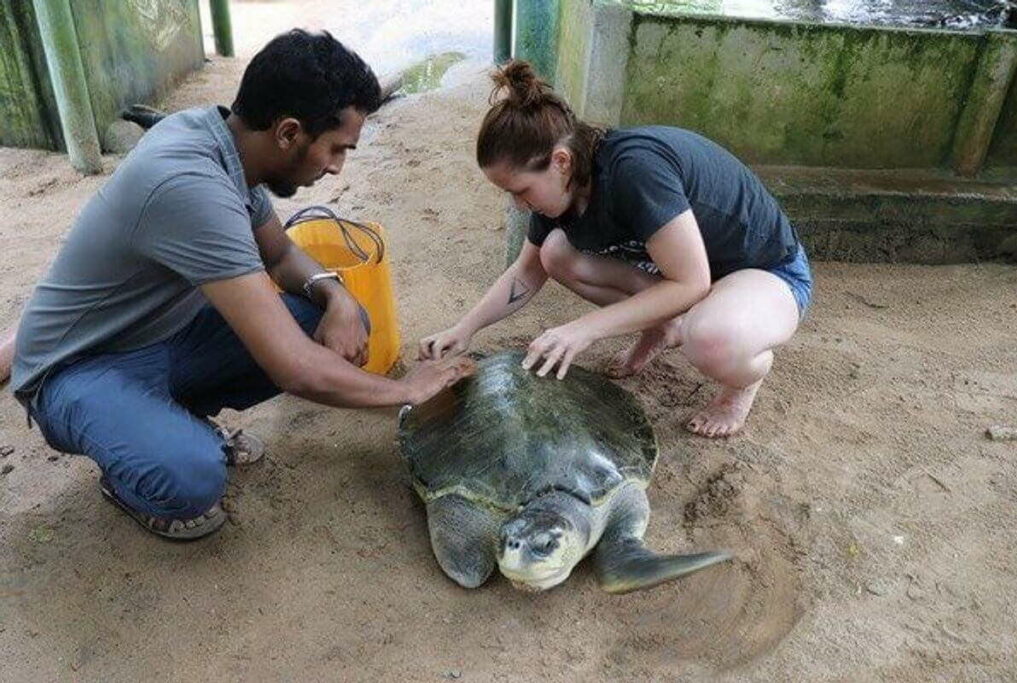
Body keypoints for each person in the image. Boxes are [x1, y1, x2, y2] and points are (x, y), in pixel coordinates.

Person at [7, 30, 473, 540]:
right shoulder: (190, 187)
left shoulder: (226, 146)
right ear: (289, 132)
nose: (338, 167)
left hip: (160, 337)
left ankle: (169, 417)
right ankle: (131, 476)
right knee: (192, 478)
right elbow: (293, 368)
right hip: (77, 370)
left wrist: (337, 295)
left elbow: (280, 254)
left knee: (333, 317)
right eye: (337, 149)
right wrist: (405, 391)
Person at [420, 60, 811, 439]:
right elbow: (527, 271)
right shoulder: (562, 190)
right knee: (553, 252)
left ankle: (743, 382)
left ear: (560, 161)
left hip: (765, 273)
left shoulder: (635, 171)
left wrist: (583, 329)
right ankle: (663, 327)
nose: (518, 205)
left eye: (520, 190)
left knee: (710, 338)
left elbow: (692, 283)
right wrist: (465, 328)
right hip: (689, 273)